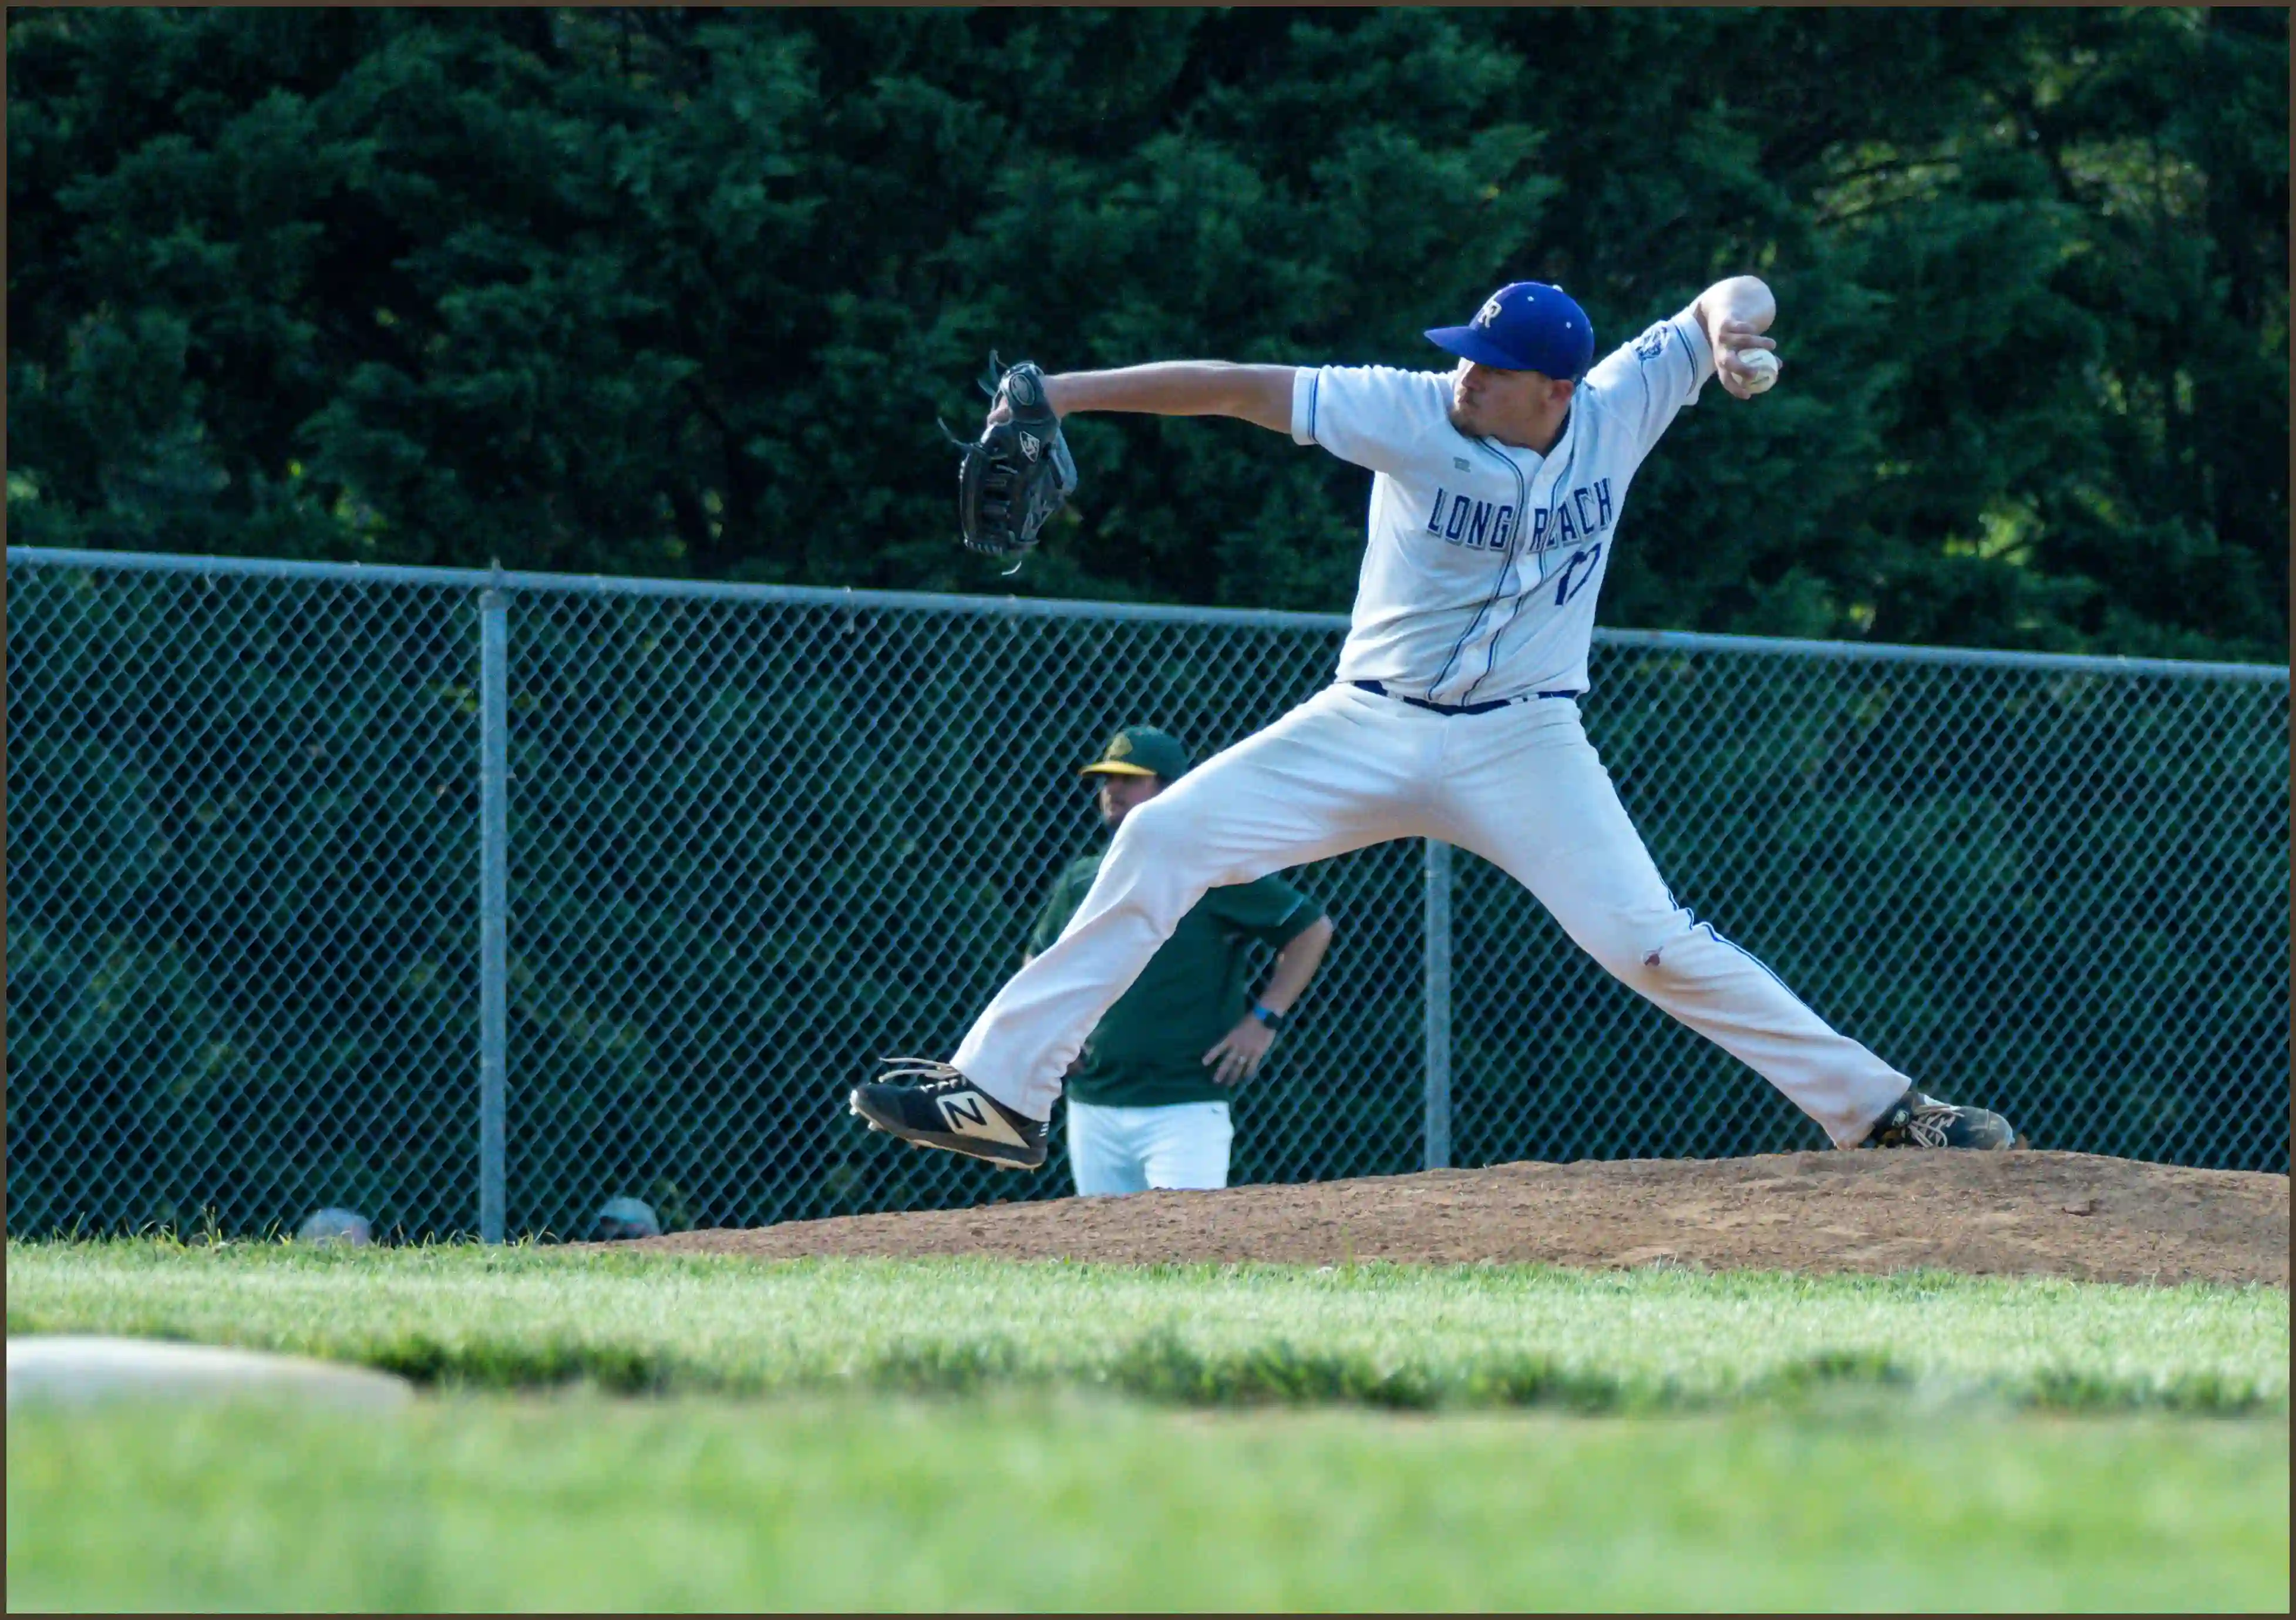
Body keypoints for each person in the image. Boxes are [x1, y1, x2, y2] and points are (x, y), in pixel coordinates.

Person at [850, 274, 2016, 1170]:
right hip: (1363, 727)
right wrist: (1062, 394)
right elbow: (1236, 384)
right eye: (1467, 357)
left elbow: (1733, 292)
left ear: (1555, 389)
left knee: (1648, 940)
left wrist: (1726, 335)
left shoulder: (1616, 406)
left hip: (1525, 741)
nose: (1466, 378)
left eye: (1493, 370)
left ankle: (1880, 1112)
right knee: (1156, 838)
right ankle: (1002, 1092)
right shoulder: (1408, 413)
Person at [1027, 724, 1334, 1196]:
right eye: (1107, 779)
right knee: (1105, 1254)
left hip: (1186, 1106)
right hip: (1094, 1103)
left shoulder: (1209, 871)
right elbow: (1039, 960)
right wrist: (1051, 1031)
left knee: (1186, 1250)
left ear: (1172, 791)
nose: (1112, 789)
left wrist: (1264, 1019)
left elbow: (1310, 930)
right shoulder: (1085, 877)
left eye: (1131, 779)